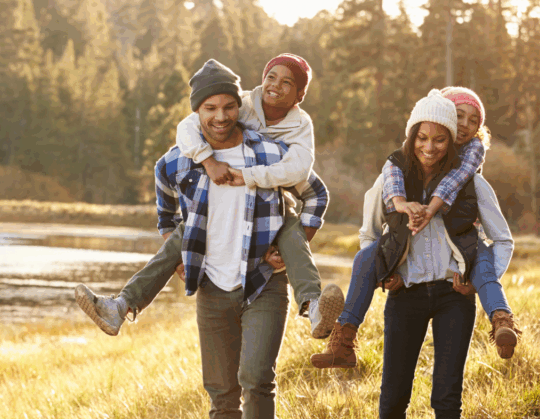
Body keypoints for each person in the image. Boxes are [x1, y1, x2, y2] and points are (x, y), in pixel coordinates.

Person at [151, 61, 330, 419]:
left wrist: (293, 244)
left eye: (229, 106)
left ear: (239, 108)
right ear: (197, 113)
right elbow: (165, 205)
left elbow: (316, 192)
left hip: (262, 282)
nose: (220, 116)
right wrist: (175, 249)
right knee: (221, 393)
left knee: (256, 379)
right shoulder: (181, 157)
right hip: (211, 286)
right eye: (209, 108)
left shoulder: (269, 152)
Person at [75, 56, 343, 340]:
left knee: (291, 232)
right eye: (271, 76)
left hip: (275, 204)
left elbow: (303, 173)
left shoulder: (298, 128)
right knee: (183, 234)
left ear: (300, 95)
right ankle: (120, 306)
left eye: (287, 82)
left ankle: (313, 307)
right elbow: (188, 127)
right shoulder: (240, 105)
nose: (275, 85)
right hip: (215, 208)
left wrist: (292, 243)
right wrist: (207, 161)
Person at [357, 90, 514, 419]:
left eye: (443, 137)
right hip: (405, 295)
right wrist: (384, 273)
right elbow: (368, 235)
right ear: (416, 135)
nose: (432, 145)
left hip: (452, 297)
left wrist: (478, 278)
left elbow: (503, 240)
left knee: (446, 394)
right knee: (393, 392)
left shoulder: (472, 184)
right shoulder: (393, 178)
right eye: (425, 137)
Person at [311, 87, 520, 369]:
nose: (466, 126)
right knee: (364, 257)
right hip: (407, 283)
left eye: (474, 121)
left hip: (459, 262)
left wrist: (436, 212)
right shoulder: (398, 166)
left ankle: (501, 318)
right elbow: (371, 229)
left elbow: (466, 196)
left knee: (482, 261)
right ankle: (344, 337)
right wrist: (387, 270)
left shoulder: (470, 168)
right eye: (459, 116)